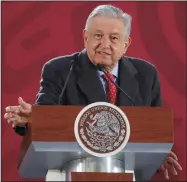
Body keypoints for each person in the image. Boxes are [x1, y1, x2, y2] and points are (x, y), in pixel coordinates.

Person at [4, 4, 182, 180]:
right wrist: (33, 118)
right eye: (98, 36)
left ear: (126, 43)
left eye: (113, 38)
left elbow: (154, 129)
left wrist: (158, 154)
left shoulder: (146, 74)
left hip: (127, 172)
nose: (104, 44)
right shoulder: (60, 70)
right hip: (71, 171)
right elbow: (46, 116)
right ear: (85, 37)